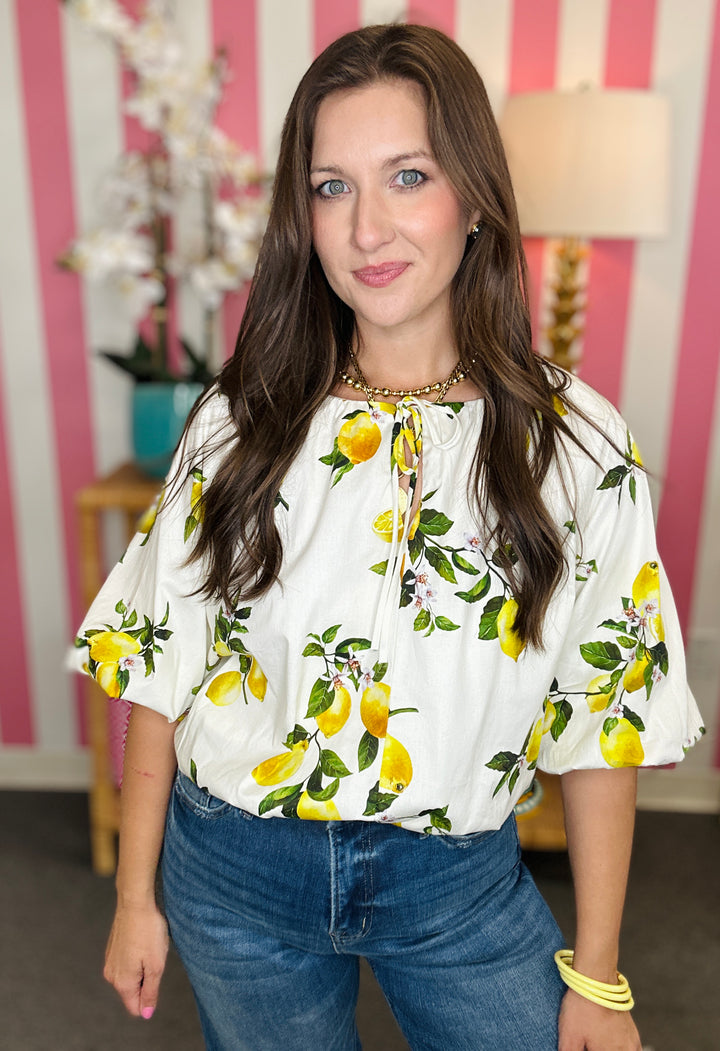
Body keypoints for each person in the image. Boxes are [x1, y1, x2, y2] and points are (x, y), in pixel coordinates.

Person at [69, 23, 704, 1051]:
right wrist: (135, 895)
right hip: (233, 875)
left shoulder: (576, 446)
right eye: (331, 187)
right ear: (302, 218)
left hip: (457, 884)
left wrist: (601, 973)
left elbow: (605, 721)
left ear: (473, 199)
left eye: (407, 176)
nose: (368, 229)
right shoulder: (241, 421)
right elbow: (157, 667)